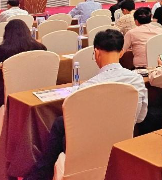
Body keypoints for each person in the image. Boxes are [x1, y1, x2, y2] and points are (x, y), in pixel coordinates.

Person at [25, 29, 147, 180]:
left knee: (60, 126)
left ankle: (39, 174)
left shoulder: (88, 88)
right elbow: (140, 117)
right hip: (122, 143)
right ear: (122, 52)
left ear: (96, 53)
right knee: (60, 124)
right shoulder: (137, 80)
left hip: (89, 149)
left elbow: (76, 126)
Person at [0, 19, 46, 109]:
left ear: (7, 34)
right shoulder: (40, 47)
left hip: (8, 90)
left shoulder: (3, 50)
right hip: (37, 86)